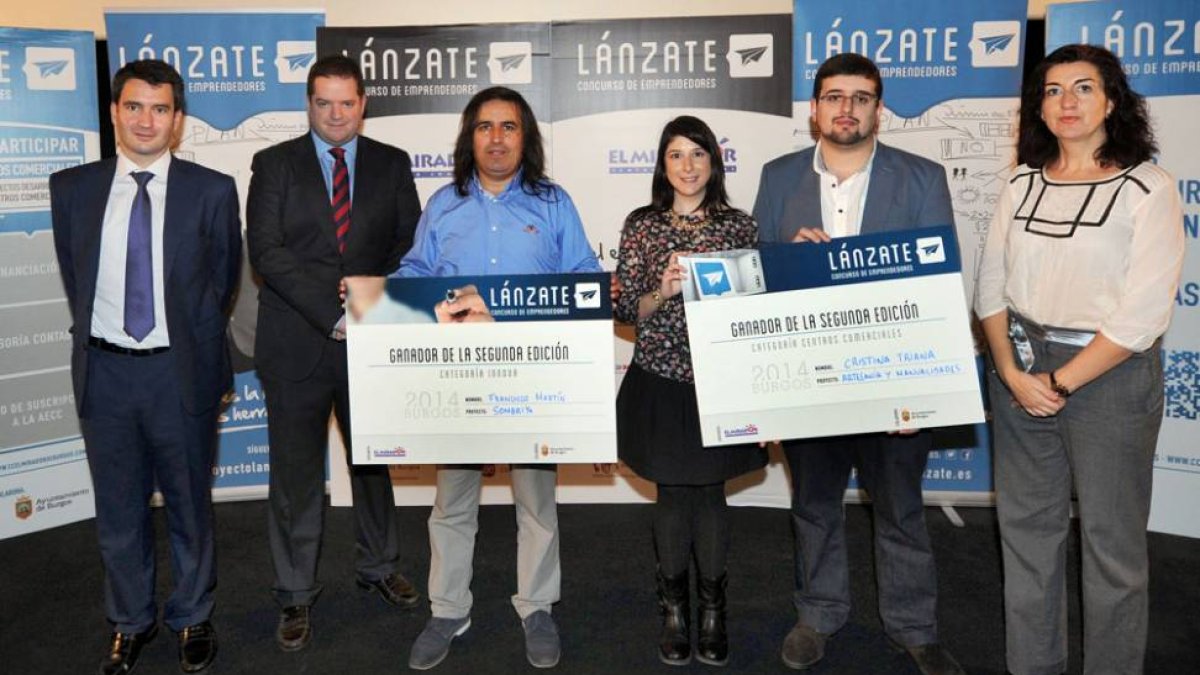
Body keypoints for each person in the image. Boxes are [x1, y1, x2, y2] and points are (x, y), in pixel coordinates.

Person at [752, 53, 965, 675]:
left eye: (862, 97)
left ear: (879, 107)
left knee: (899, 508)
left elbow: (938, 286)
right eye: (834, 96)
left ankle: (914, 627)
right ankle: (818, 614)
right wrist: (785, 256)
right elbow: (756, 277)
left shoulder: (922, 177)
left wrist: (920, 392)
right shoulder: (777, 176)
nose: (847, 108)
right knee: (814, 505)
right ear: (815, 108)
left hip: (893, 380)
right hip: (810, 380)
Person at [975, 44, 1183, 675]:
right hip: (1019, 364)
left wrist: (1057, 382)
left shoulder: (1147, 187)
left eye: (1083, 88)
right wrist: (1012, 372)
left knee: (1111, 549)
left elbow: (1142, 315)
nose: (1066, 102)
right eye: (1053, 90)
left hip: (1108, 374)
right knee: (1028, 538)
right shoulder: (1018, 182)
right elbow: (990, 286)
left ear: (1112, 101)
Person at [399, 86, 601, 671]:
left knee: (535, 501)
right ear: (470, 137)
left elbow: (582, 275)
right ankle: (447, 608)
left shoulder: (554, 203)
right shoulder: (442, 204)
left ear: (525, 137)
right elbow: (414, 273)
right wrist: (374, 299)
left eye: (508, 127)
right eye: (485, 127)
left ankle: (536, 606)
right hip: (457, 378)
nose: (496, 138)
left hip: (530, 377)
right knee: (452, 500)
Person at [50, 59, 240, 674]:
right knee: (119, 509)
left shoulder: (212, 190)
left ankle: (192, 615)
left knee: (189, 504)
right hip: (105, 374)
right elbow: (78, 279)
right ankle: (129, 621)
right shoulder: (71, 189)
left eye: (160, 109)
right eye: (134, 107)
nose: (146, 120)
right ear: (114, 113)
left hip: (177, 373)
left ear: (178, 121)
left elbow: (221, 283)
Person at [246, 54, 423, 652]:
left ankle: (379, 566)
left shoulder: (393, 164)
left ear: (363, 102)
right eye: (324, 102)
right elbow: (267, 252)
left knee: (373, 462)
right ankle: (294, 593)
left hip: (372, 339)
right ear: (309, 103)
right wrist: (332, 314)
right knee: (295, 475)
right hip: (297, 340)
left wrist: (370, 298)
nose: (336, 114)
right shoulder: (273, 164)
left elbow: (410, 243)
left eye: (346, 102)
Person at [614, 115, 768, 667]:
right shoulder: (642, 224)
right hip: (660, 378)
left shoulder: (740, 227)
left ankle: (712, 611)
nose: (687, 166)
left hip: (721, 382)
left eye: (698, 154)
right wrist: (663, 288)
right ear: (662, 164)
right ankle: (675, 610)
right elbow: (625, 308)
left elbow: (759, 307)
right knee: (674, 494)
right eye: (676, 155)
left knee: (710, 494)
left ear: (713, 162)